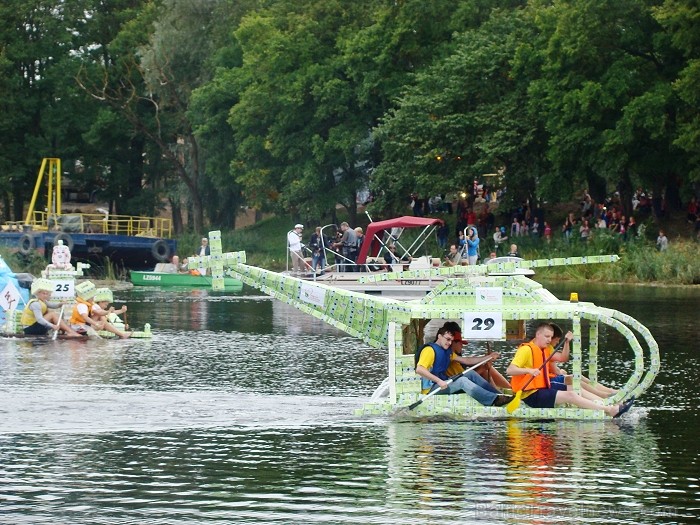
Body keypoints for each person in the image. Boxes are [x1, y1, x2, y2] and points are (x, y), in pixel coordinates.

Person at [506, 323, 633, 417]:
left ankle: (612, 404)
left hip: (542, 389)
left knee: (574, 388)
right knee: (571, 395)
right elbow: (510, 370)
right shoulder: (526, 350)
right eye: (546, 336)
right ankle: (609, 410)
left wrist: (566, 342)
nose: (549, 340)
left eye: (550, 337)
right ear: (537, 335)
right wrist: (529, 371)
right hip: (530, 395)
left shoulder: (544, 349)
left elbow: (563, 357)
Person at [415, 326, 513, 407]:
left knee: (470, 374)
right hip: (431, 389)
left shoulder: (447, 352)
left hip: (442, 383)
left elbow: (467, 360)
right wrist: (439, 381)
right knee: (462, 381)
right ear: (439, 336)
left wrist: (488, 357)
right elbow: (419, 369)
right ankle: (493, 400)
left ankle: (498, 395)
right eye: (447, 339)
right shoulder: (429, 350)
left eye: (451, 341)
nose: (449, 343)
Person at [547, 323, 617, 399]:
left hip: (552, 377)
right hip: (550, 380)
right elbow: (556, 370)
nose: (557, 342)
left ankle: (608, 391)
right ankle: (603, 395)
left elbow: (554, 367)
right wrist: (561, 372)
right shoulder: (548, 349)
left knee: (578, 376)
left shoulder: (548, 348)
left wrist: (560, 371)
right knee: (575, 378)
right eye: (557, 340)